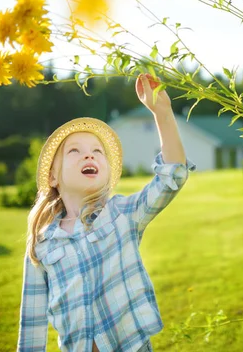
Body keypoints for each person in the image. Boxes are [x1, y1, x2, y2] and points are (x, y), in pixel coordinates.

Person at [17, 73, 196, 352]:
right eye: (75, 151)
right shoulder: (41, 244)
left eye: (97, 151)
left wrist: (162, 112)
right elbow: (32, 323)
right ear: (53, 177)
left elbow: (173, 176)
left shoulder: (122, 214)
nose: (89, 155)